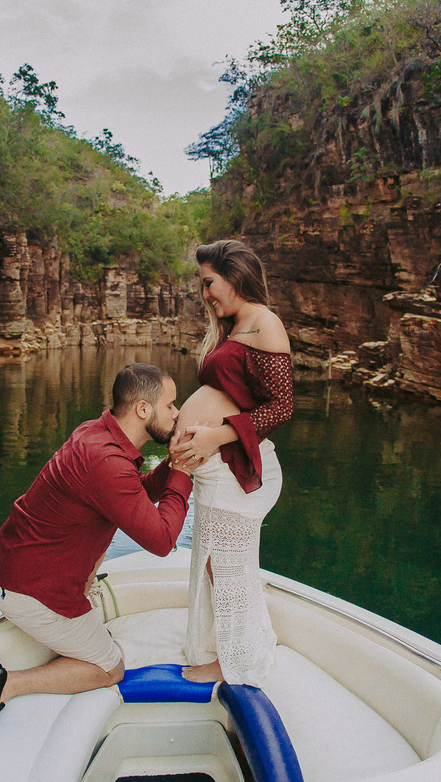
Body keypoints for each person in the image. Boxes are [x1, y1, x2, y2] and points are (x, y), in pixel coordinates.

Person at [0, 363, 198, 738]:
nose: (177, 413)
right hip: (32, 592)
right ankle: (8, 684)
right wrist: (184, 474)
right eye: (171, 405)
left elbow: (132, 494)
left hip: (16, 571)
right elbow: (161, 540)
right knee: (110, 669)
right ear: (143, 409)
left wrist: (171, 465)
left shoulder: (97, 434)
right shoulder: (105, 461)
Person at [169, 240, 293, 687]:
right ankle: (238, 646)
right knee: (217, 564)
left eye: (209, 283)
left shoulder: (264, 322)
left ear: (234, 274)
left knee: (226, 567)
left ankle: (235, 665)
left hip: (236, 471)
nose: (204, 293)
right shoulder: (237, 326)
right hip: (217, 471)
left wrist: (217, 435)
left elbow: (282, 406)